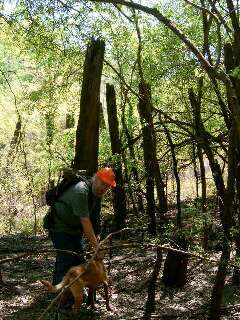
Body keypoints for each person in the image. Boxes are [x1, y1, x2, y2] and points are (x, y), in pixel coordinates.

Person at [47, 167, 116, 286]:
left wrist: (96, 237)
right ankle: (60, 295)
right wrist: (97, 247)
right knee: (65, 259)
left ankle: (76, 291)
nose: (104, 188)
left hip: (74, 229)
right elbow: (85, 221)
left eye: (107, 186)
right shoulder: (81, 190)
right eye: (103, 184)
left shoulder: (96, 194)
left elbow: (93, 217)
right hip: (59, 226)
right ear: (96, 178)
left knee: (79, 260)